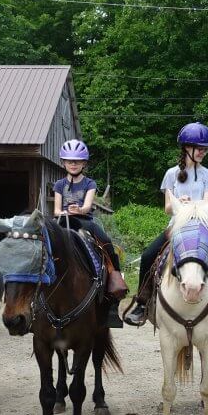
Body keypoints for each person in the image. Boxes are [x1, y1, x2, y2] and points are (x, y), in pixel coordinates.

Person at [123, 122, 208, 329]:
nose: (204, 152)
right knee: (149, 256)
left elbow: (207, 203)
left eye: (205, 148)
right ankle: (141, 303)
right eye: (200, 148)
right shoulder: (170, 174)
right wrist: (179, 204)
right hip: (178, 225)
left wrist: (190, 205)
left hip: (204, 226)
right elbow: (167, 207)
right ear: (186, 148)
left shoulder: (207, 175)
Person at [53, 138, 127, 328]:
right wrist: (65, 212)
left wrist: (78, 210)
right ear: (64, 163)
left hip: (85, 222)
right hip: (63, 221)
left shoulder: (90, 183)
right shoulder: (59, 184)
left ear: (84, 163)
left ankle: (115, 276)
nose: (73, 164)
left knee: (106, 241)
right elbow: (55, 210)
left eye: (77, 161)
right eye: (70, 161)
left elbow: (87, 207)